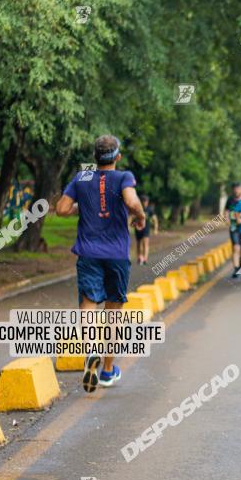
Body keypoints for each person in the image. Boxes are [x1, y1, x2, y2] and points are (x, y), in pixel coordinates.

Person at [56, 135, 146, 392]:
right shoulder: (123, 177)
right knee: (113, 314)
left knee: (88, 306)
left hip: (89, 253)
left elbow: (62, 209)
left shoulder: (82, 177)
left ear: (95, 158)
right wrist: (140, 216)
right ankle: (107, 370)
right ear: (117, 157)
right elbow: (131, 201)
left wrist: (81, 206)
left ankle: (91, 350)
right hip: (116, 254)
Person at [225, 183, 241, 278]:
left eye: (238, 188)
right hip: (234, 227)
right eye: (235, 188)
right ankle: (236, 269)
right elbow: (226, 211)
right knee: (236, 247)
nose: (236, 190)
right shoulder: (230, 200)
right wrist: (227, 221)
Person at [133, 195, 154, 265]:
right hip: (138, 228)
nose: (145, 203)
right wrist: (134, 224)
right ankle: (139, 257)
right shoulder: (137, 209)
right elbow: (133, 219)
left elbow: (154, 218)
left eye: (146, 201)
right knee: (138, 244)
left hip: (146, 228)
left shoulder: (149, 210)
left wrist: (156, 228)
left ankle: (145, 259)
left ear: (148, 202)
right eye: (143, 201)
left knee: (145, 243)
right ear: (141, 202)